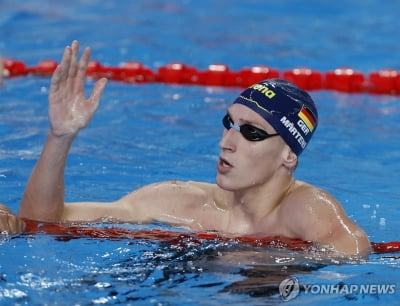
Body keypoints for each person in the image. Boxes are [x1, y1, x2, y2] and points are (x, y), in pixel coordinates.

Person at [18, 40, 371, 256]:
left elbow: (353, 251)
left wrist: (263, 261)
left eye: (252, 132)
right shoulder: (178, 200)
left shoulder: (303, 207)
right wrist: (60, 136)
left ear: (289, 155)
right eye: (228, 123)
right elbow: (42, 223)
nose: (227, 141)